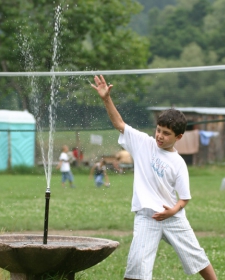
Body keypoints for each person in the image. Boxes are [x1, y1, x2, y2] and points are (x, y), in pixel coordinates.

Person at [91, 75, 217, 280]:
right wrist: (106, 98)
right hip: (147, 215)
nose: (159, 136)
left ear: (178, 137)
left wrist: (172, 211)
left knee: (196, 256)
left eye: (166, 133)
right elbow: (119, 123)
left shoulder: (178, 163)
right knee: (136, 265)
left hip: (173, 216)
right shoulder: (143, 143)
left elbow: (184, 198)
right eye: (158, 130)